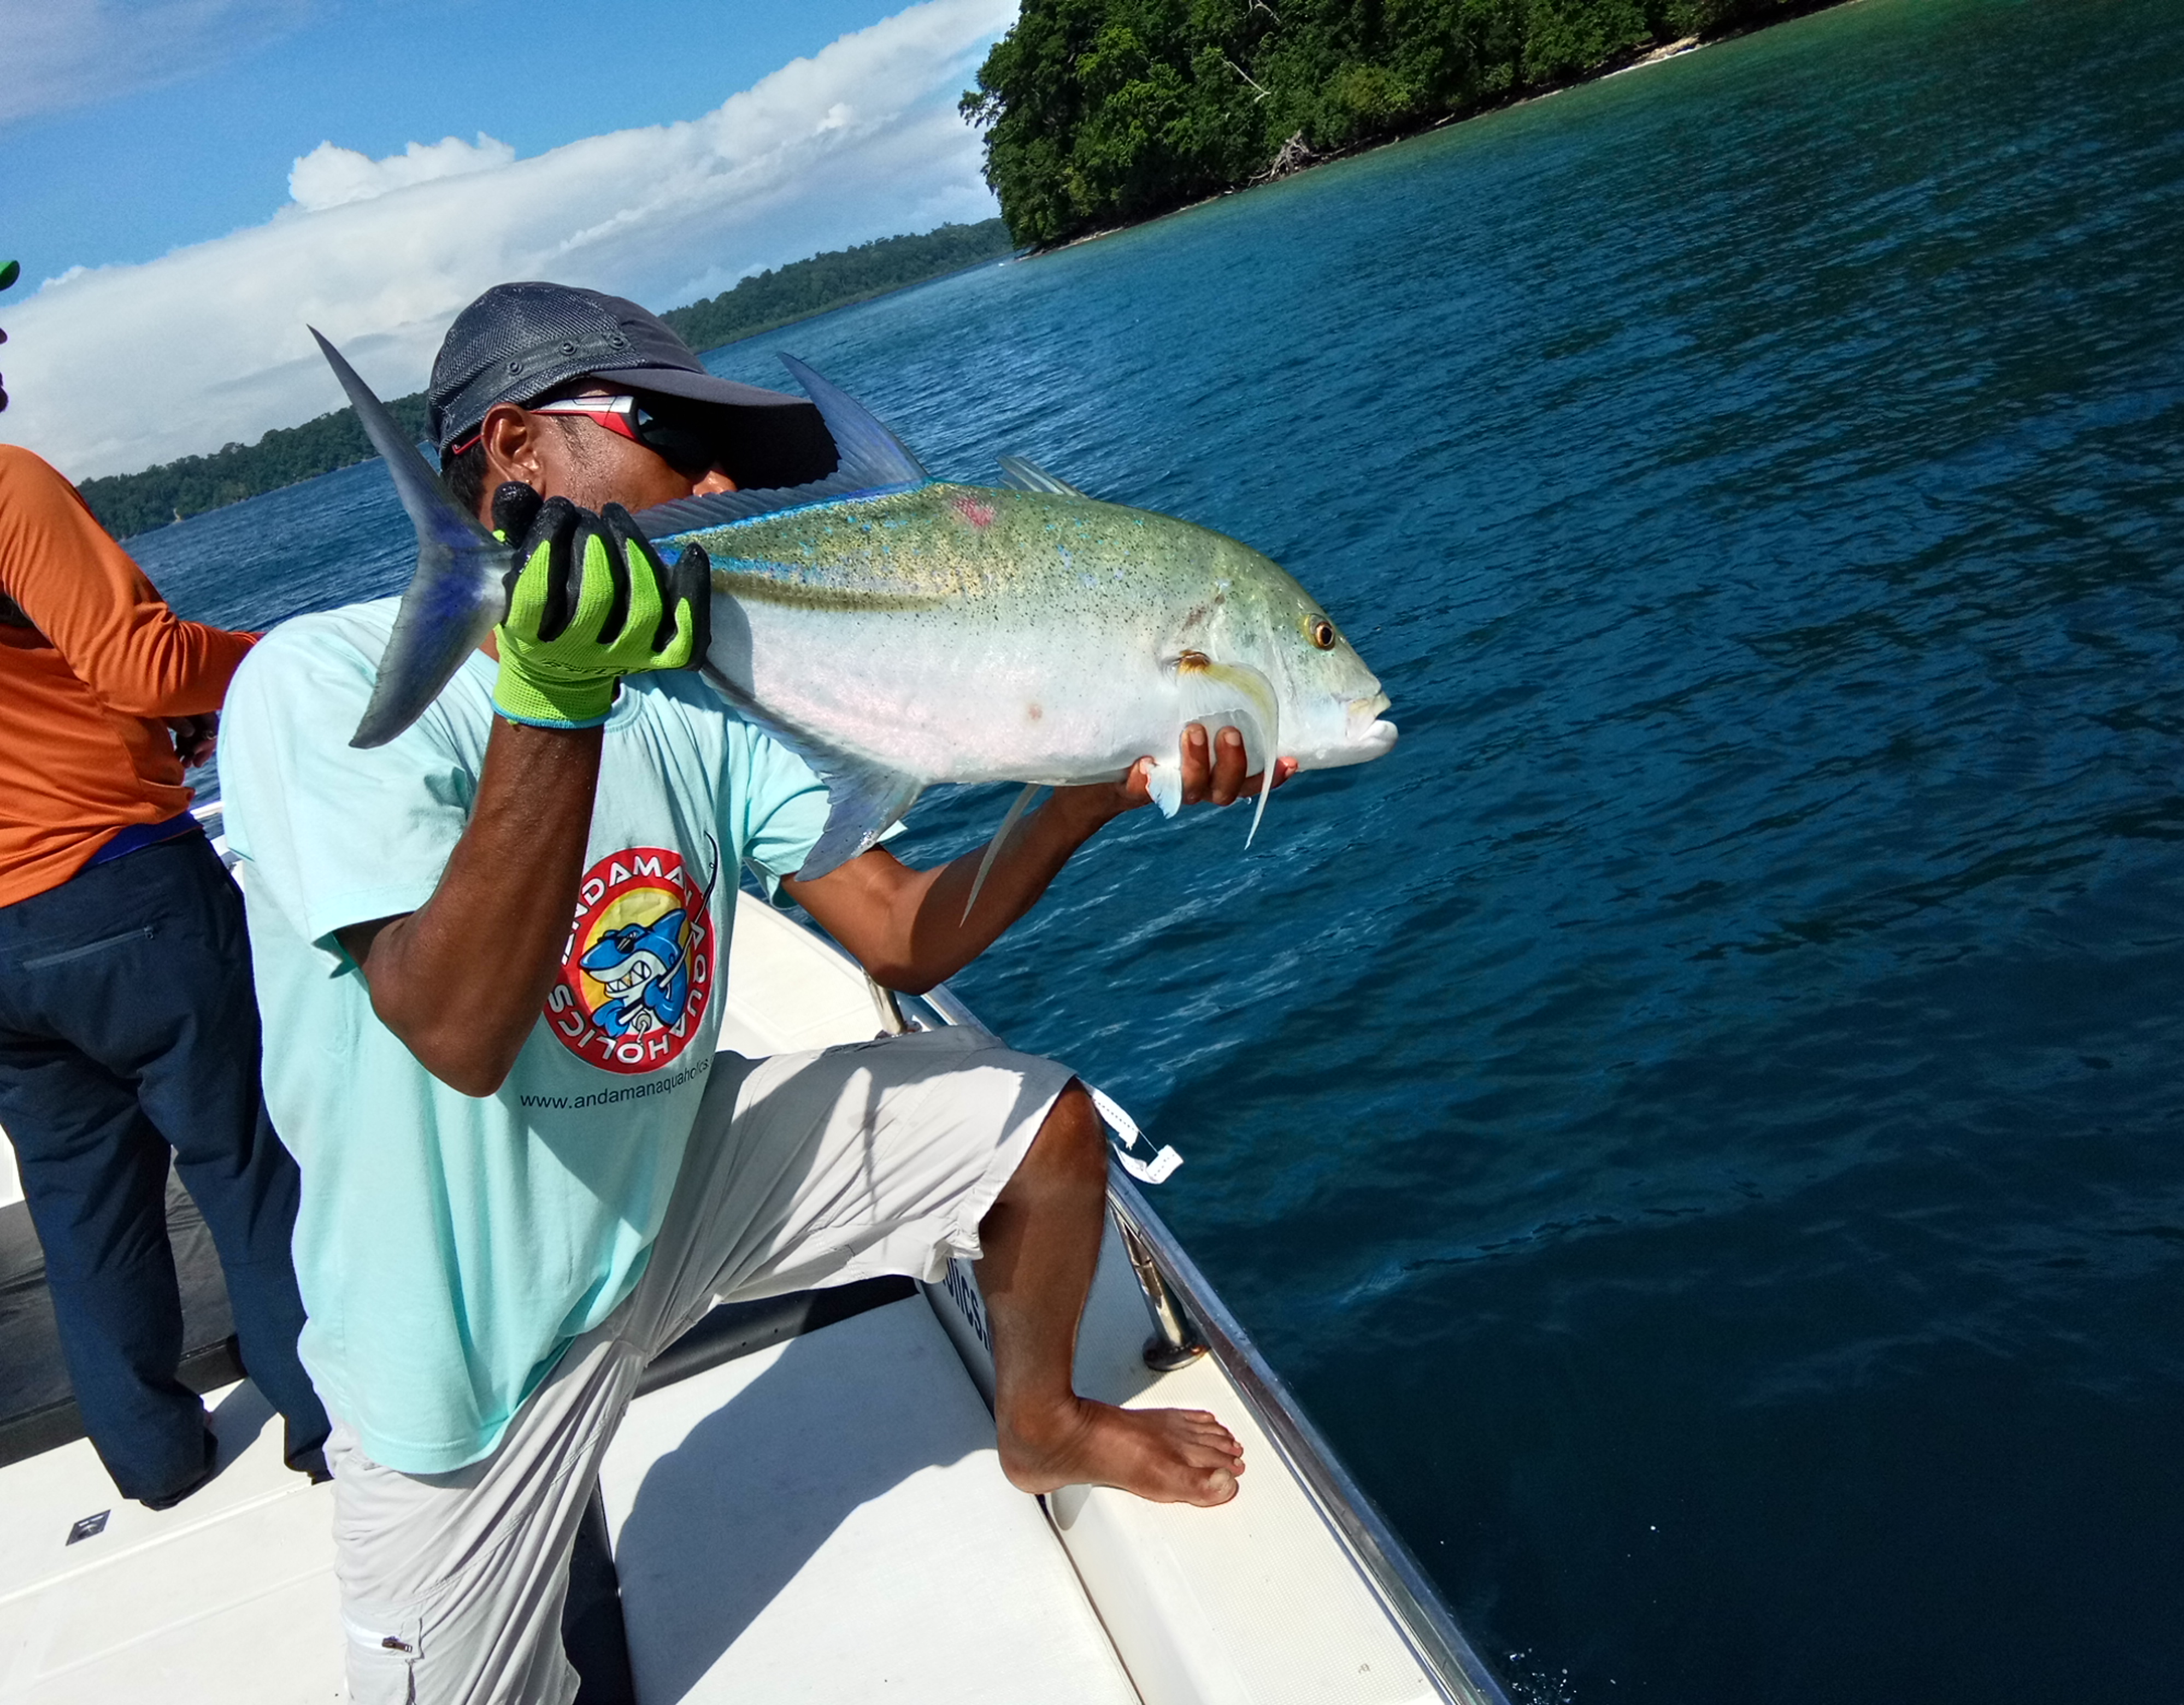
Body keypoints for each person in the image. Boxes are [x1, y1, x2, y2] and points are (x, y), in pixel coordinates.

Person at [218, 281, 1287, 1703]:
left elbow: (902, 937)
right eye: (669, 432)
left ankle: (1038, 1421)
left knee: (1040, 1131)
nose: (717, 481)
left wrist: (1074, 801)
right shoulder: (317, 685)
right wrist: (554, 701)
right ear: (519, 454)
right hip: (466, 1341)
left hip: (669, 1190)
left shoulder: (691, 706)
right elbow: (458, 1031)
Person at [0, 443, 331, 1506]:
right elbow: (138, 663)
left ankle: (151, 1455)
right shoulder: (6, 482)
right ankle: (326, 1411)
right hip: (114, 884)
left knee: (78, 1202)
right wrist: (271, 660)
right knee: (246, 1151)